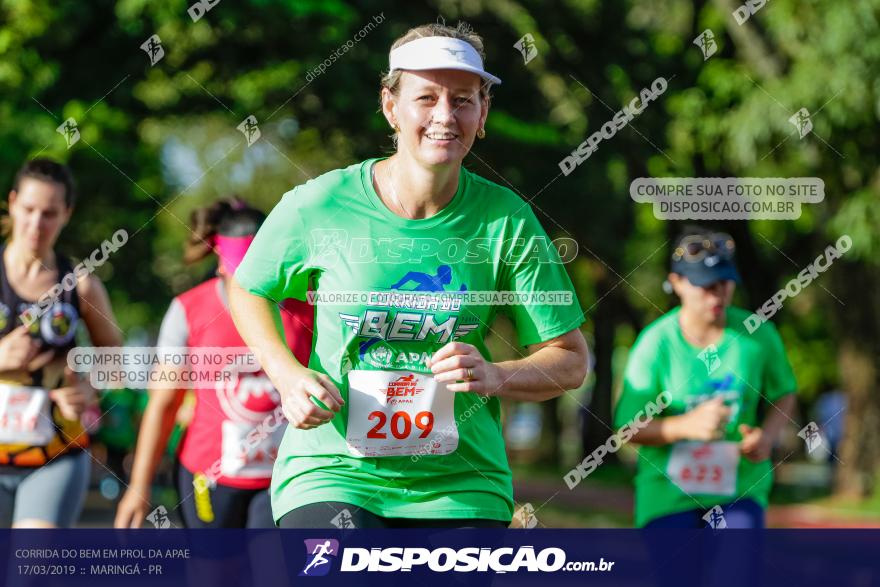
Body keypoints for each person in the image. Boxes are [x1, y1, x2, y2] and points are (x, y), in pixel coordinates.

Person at [230, 22, 589, 529]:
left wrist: (494, 375)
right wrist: (286, 375)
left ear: (482, 113)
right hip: (334, 474)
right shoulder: (323, 203)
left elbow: (571, 361)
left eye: (463, 100)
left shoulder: (507, 219)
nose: (445, 116)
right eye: (426, 98)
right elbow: (248, 288)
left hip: (463, 485)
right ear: (391, 107)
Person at [114, 198, 313, 528]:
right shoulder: (188, 309)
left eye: (264, 275)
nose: (254, 290)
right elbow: (163, 404)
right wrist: (138, 487)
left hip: (284, 475)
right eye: (243, 278)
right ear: (221, 265)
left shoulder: (307, 307)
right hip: (208, 475)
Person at [615, 226, 797, 528]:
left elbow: (785, 392)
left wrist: (767, 435)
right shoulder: (655, 342)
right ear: (677, 283)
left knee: (735, 572)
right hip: (667, 496)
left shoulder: (758, 335)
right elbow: (627, 427)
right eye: (705, 284)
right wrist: (683, 426)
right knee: (680, 576)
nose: (718, 293)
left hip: (739, 492)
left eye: (725, 283)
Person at [0, 158, 122, 527]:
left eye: (50, 213)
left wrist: (89, 389)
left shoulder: (81, 285)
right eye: (30, 210)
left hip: (55, 454)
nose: (37, 224)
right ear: (12, 203)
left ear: (66, 214)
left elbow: (115, 363)